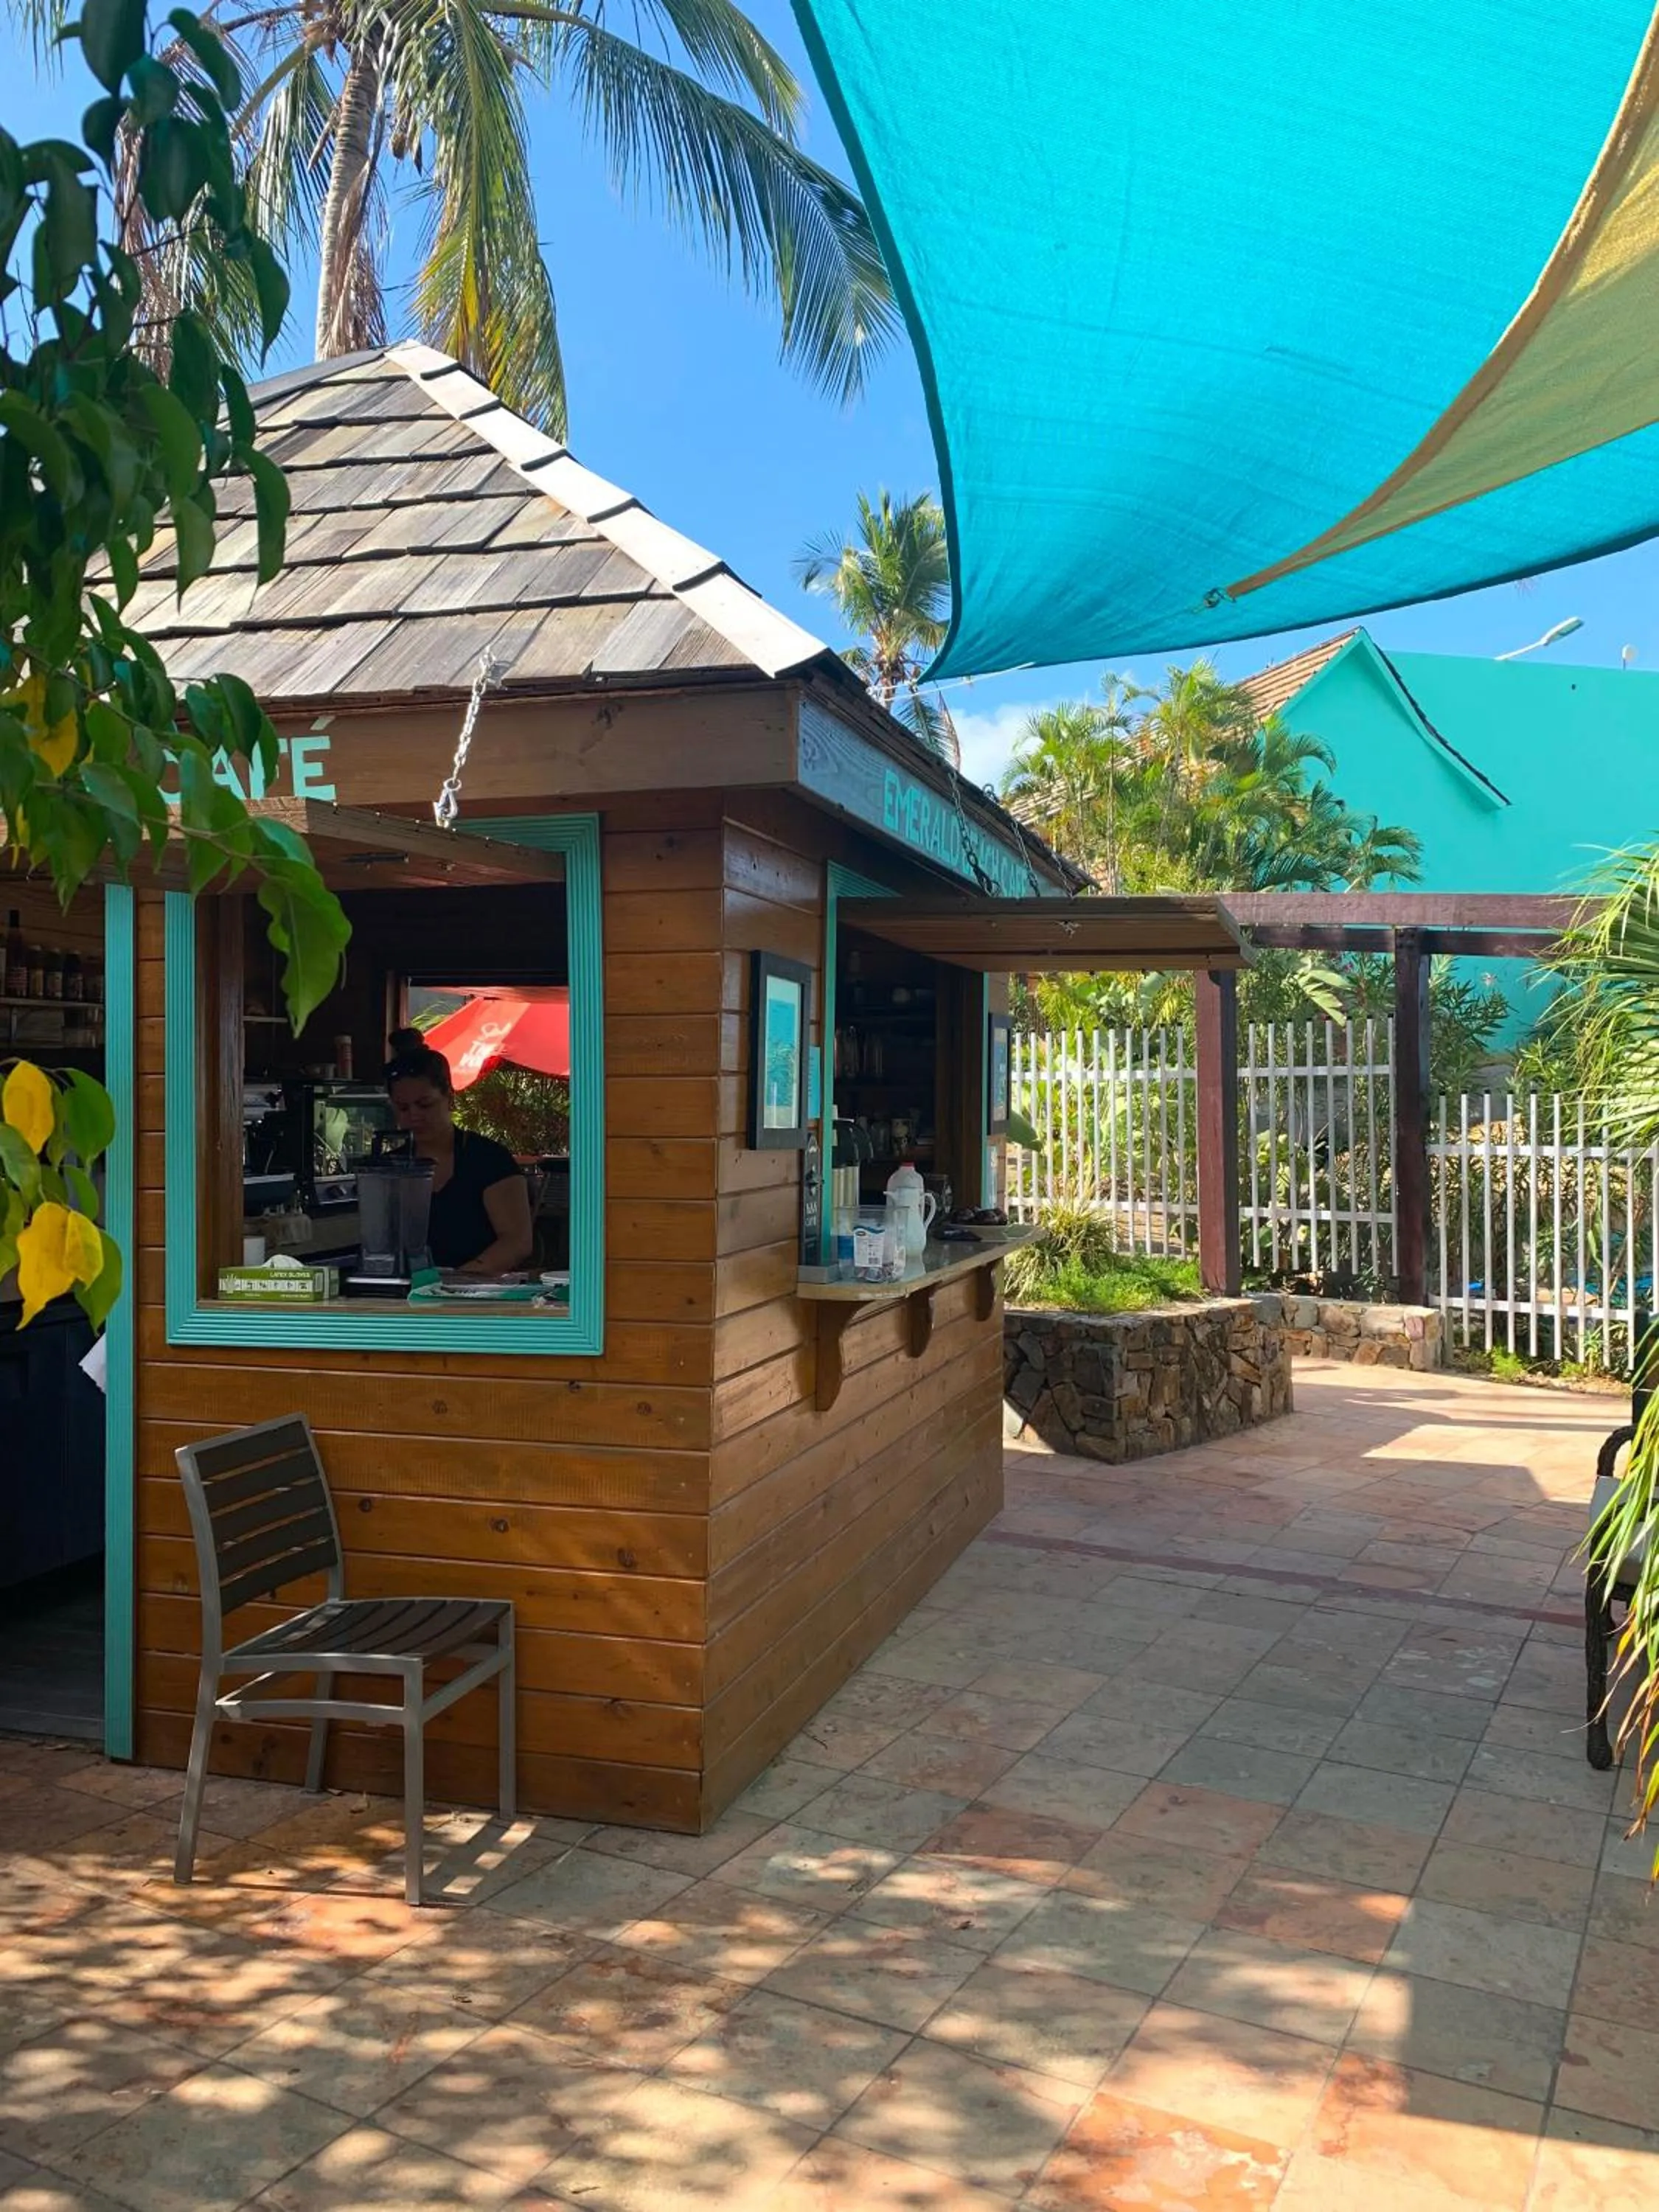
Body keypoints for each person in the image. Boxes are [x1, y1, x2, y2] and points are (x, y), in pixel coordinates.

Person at [382, 1028, 535, 1273]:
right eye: (403, 1108)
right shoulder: (390, 1166)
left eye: (425, 1104)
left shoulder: (489, 1160)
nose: (414, 1115)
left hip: (479, 1293)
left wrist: (457, 1281)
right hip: (406, 1291)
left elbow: (517, 1242)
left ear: (449, 1098)